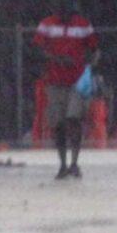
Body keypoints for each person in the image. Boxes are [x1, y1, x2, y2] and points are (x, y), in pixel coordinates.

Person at [40, 42, 90, 179]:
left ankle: (74, 162)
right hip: (55, 83)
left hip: (77, 84)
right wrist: (57, 59)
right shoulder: (50, 29)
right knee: (58, 125)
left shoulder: (81, 29)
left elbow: (93, 52)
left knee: (74, 120)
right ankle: (63, 164)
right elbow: (40, 53)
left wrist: (80, 62)